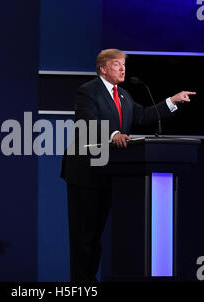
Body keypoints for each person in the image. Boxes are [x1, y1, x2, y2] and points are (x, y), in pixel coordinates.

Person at [60, 49, 195, 282]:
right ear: (103, 68)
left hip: (112, 173)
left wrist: (171, 101)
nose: (122, 69)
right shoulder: (88, 92)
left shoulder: (123, 95)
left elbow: (142, 116)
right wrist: (113, 135)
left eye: (123, 64)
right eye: (116, 64)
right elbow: (87, 123)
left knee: (97, 238)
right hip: (86, 173)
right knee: (84, 239)